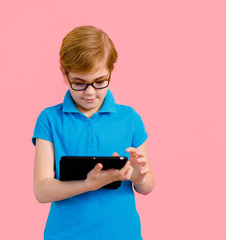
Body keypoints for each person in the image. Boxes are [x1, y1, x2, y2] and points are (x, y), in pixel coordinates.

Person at [32, 25, 155, 240]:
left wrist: (138, 176)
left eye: (99, 82)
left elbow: (147, 186)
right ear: (65, 73)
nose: (90, 92)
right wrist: (88, 184)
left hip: (123, 234)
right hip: (65, 234)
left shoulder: (130, 118)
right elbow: (42, 190)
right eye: (79, 83)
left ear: (110, 71)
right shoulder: (49, 120)